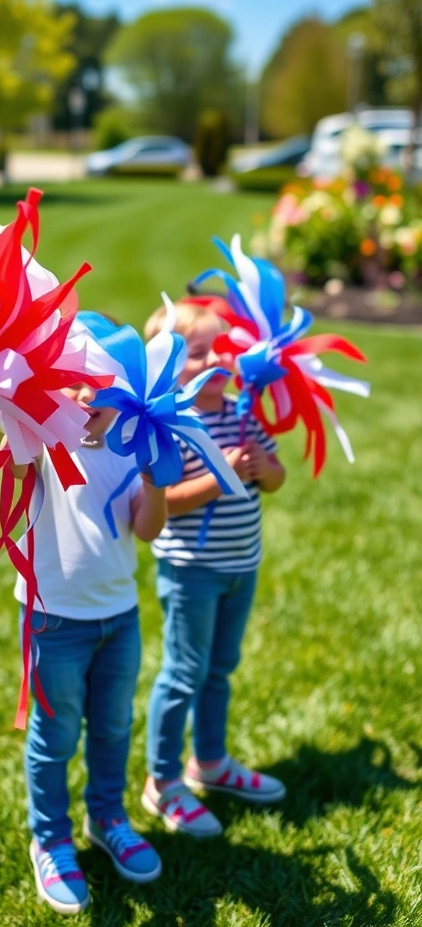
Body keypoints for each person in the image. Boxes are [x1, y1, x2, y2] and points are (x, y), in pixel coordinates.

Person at [10, 371, 167, 915]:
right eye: (72, 383)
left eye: (101, 385)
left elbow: (145, 530)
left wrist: (158, 482)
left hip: (119, 618)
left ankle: (107, 819)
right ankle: (50, 839)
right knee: (54, 735)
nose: (85, 397)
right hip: (55, 621)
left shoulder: (129, 448)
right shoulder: (42, 443)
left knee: (113, 726)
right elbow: (11, 448)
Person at [140, 301, 286, 839]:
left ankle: (211, 761)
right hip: (191, 570)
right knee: (183, 673)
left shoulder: (242, 412)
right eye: (198, 354)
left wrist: (265, 467)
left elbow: (275, 478)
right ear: (168, 371)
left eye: (219, 347)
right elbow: (166, 500)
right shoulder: (174, 425)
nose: (216, 360)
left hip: (240, 564)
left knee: (220, 668)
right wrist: (223, 471)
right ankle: (162, 781)